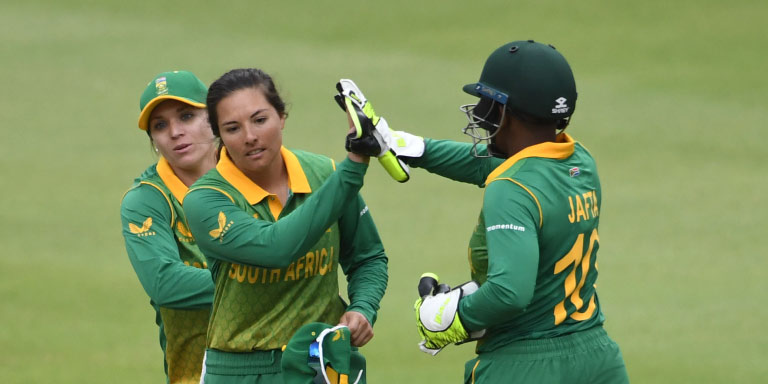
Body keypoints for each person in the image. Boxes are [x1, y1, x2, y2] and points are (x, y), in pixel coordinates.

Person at [341, 40, 629, 383]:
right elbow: (493, 165)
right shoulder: (580, 163)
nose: (480, 112)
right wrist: (405, 145)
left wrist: (449, 316)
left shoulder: (510, 188)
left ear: (508, 112)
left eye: (488, 102)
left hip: (523, 368)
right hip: (598, 360)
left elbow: (510, 293)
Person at [182, 68, 388, 383]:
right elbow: (276, 248)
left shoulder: (324, 175)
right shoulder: (206, 200)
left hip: (323, 364)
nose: (250, 136)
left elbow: (368, 257)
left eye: (260, 120)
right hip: (241, 372)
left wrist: (362, 308)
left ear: (282, 117)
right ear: (219, 136)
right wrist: (352, 169)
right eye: (232, 128)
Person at [120, 70, 219, 383]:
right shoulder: (147, 200)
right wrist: (267, 281)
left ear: (214, 119)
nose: (175, 132)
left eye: (187, 116)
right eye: (160, 125)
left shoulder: (254, 170)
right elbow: (165, 282)